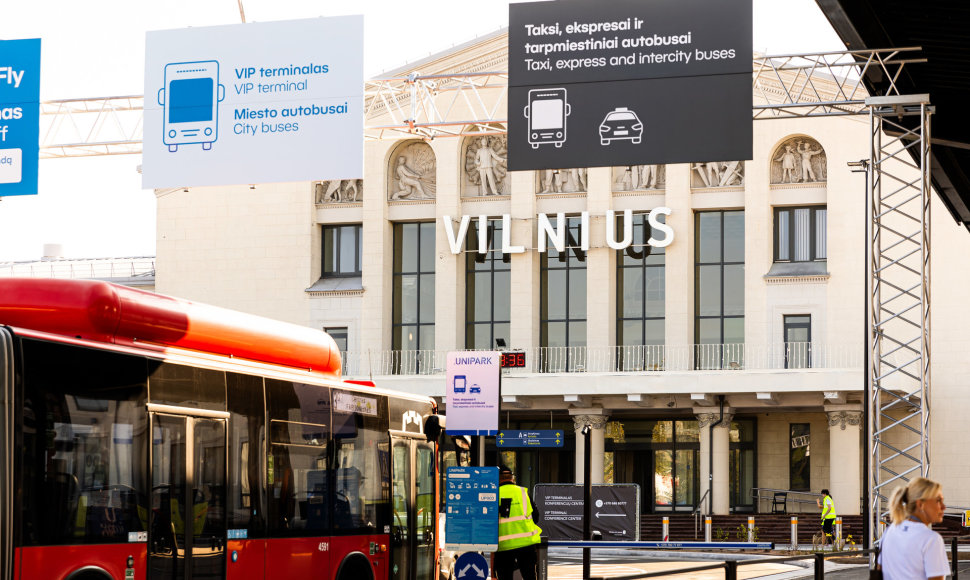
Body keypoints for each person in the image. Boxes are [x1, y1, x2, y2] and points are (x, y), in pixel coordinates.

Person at [877, 477, 949, 580]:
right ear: (920, 504)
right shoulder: (931, 539)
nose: (943, 506)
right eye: (938, 501)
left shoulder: (890, 531)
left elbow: (879, 571)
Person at [494, 466, 542, 580]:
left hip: (503, 546)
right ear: (512, 478)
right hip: (526, 543)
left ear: (498, 479)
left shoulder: (494, 494)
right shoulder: (523, 492)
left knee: (505, 576)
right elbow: (536, 517)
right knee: (529, 576)